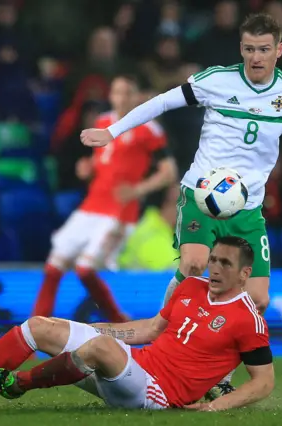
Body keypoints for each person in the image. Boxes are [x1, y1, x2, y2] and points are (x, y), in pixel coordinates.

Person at [80, 12, 282, 395]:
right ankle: (164, 332)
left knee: (257, 300)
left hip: (247, 209)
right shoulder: (217, 80)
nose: (255, 57)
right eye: (248, 49)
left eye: (263, 49)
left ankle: (219, 377)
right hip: (201, 195)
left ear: (279, 50)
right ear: (240, 49)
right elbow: (162, 103)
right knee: (194, 263)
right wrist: (111, 131)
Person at [0, 236, 273, 411]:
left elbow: (263, 383)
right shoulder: (190, 288)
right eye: (213, 260)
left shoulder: (249, 320)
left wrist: (210, 408)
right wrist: (91, 330)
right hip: (135, 369)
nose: (215, 268)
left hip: (157, 395)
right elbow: (149, 330)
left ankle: (15, 385)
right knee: (41, 326)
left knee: (100, 348)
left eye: (226, 263)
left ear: (244, 273)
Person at [32, 75, 177, 322]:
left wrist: (138, 190)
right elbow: (103, 166)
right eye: (117, 92)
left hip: (119, 213)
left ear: (137, 97)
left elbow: (169, 172)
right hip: (90, 207)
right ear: (111, 96)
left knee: (85, 269)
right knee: (52, 267)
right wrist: (87, 169)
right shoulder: (102, 122)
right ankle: (34, 327)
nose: (121, 98)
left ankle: (117, 319)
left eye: (127, 92)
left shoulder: (149, 129)